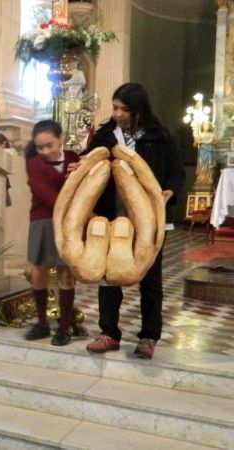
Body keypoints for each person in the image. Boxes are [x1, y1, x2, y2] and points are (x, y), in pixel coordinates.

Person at [73, 83, 185, 359]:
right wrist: (80, 167)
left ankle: (148, 336)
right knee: (107, 275)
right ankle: (109, 332)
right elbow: (90, 164)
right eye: (114, 107)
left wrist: (169, 191)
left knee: (150, 278)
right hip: (111, 216)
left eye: (124, 109)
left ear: (138, 110)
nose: (117, 113)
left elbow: (176, 173)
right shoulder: (105, 136)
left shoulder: (159, 138)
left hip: (148, 219)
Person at [22, 121, 78, 346]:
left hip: (69, 221)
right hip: (43, 219)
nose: (44, 151)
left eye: (49, 145)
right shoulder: (33, 162)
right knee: (38, 269)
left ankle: (64, 327)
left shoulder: (74, 157)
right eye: (39, 147)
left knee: (66, 271)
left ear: (60, 138)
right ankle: (42, 322)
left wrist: (81, 171)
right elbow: (43, 191)